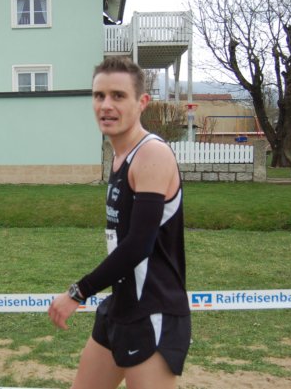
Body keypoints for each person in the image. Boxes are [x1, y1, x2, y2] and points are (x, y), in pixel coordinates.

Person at [48, 57, 191, 389]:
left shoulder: (151, 154)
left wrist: (77, 292)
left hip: (153, 311)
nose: (106, 105)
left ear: (142, 102)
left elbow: (139, 245)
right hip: (120, 307)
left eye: (118, 96)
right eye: (99, 96)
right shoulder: (119, 157)